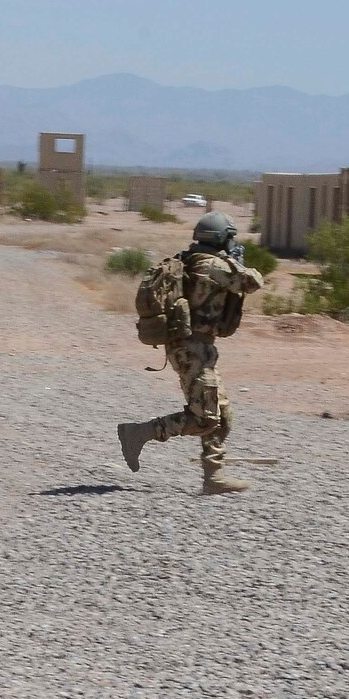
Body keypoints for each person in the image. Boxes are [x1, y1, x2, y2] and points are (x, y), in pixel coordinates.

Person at [117, 212, 264, 494]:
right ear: (221, 238)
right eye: (230, 237)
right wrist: (237, 261)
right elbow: (251, 282)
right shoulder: (211, 264)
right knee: (205, 418)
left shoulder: (193, 259)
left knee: (221, 412)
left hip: (198, 348)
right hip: (191, 349)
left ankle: (214, 476)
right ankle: (139, 433)